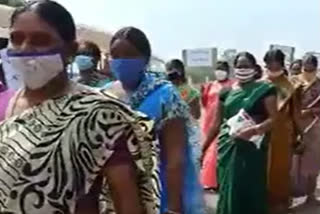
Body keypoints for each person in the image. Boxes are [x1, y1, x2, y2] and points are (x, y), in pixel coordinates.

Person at [0, 1, 160, 213]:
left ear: (71, 51)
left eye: (40, 40)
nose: (25, 49)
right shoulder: (5, 102)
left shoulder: (101, 115)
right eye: (16, 39)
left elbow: (126, 203)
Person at [103, 27, 204, 214]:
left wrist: (173, 208)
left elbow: (175, 158)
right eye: (115, 55)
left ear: (145, 59)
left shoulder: (165, 96)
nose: (121, 61)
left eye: (129, 55)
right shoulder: (105, 94)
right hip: (113, 193)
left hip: (156, 191)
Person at [203, 52, 278, 214]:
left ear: (254, 68)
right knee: (229, 187)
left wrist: (254, 130)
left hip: (252, 148)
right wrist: (203, 148)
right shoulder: (226, 92)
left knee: (250, 187)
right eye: (239, 66)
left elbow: (274, 119)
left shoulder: (265, 89)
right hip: (228, 147)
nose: (242, 69)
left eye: (246, 66)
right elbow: (216, 123)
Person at [263, 49, 302, 214]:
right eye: (269, 62)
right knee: (263, 170)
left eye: (275, 62)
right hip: (263, 132)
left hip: (283, 134)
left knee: (280, 170)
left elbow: (296, 113)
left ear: (281, 63)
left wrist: (300, 136)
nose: (272, 65)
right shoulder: (261, 84)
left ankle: (280, 203)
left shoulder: (291, 86)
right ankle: (264, 202)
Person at [200, 61, 235, 191]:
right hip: (209, 121)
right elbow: (204, 102)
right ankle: (210, 181)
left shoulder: (232, 85)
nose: (220, 71)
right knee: (210, 151)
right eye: (218, 69)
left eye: (223, 69)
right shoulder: (209, 86)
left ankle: (217, 181)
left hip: (224, 121)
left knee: (216, 152)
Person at [291, 55, 320, 205]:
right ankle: (288, 195)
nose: (308, 72)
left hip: (314, 127)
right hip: (293, 126)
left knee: (313, 163)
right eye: (305, 69)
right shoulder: (294, 82)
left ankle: (310, 195)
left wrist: (310, 111)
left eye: (311, 69)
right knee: (292, 162)